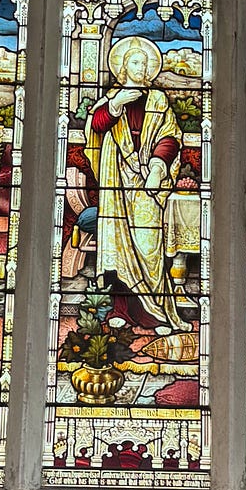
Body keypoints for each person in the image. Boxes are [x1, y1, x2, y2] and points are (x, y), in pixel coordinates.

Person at [84, 35, 187, 333]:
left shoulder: (158, 100)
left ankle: (154, 313)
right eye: (135, 63)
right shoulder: (112, 97)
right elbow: (96, 126)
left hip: (148, 180)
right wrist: (116, 104)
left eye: (144, 64)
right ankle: (120, 311)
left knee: (148, 244)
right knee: (117, 244)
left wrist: (157, 167)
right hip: (116, 177)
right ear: (123, 67)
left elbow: (170, 137)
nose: (141, 68)